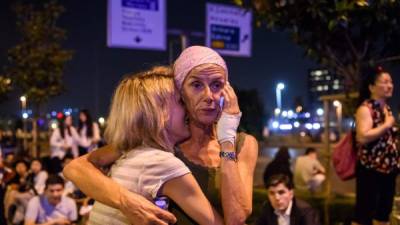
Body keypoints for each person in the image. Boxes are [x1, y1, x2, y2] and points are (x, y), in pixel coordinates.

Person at [64, 46, 258, 225]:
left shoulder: (244, 144)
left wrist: (227, 140)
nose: (209, 95)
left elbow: (237, 218)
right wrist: (126, 201)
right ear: (179, 92)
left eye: (217, 85)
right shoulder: (160, 138)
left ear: (228, 91)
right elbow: (76, 168)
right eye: (196, 85)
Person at [352, 66, 398, 225]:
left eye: (391, 82)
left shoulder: (387, 109)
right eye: (384, 82)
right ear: (371, 87)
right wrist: (387, 125)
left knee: (383, 214)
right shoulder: (366, 109)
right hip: (370, 169)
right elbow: (363, 137)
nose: (390, 85)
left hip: (388, 170)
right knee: (364, 215)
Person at [256, 173, 320, 225]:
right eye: (272, 193)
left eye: (281, 192)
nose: (277, 198)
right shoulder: (267, 208)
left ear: (291, 194)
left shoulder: (305, 211)